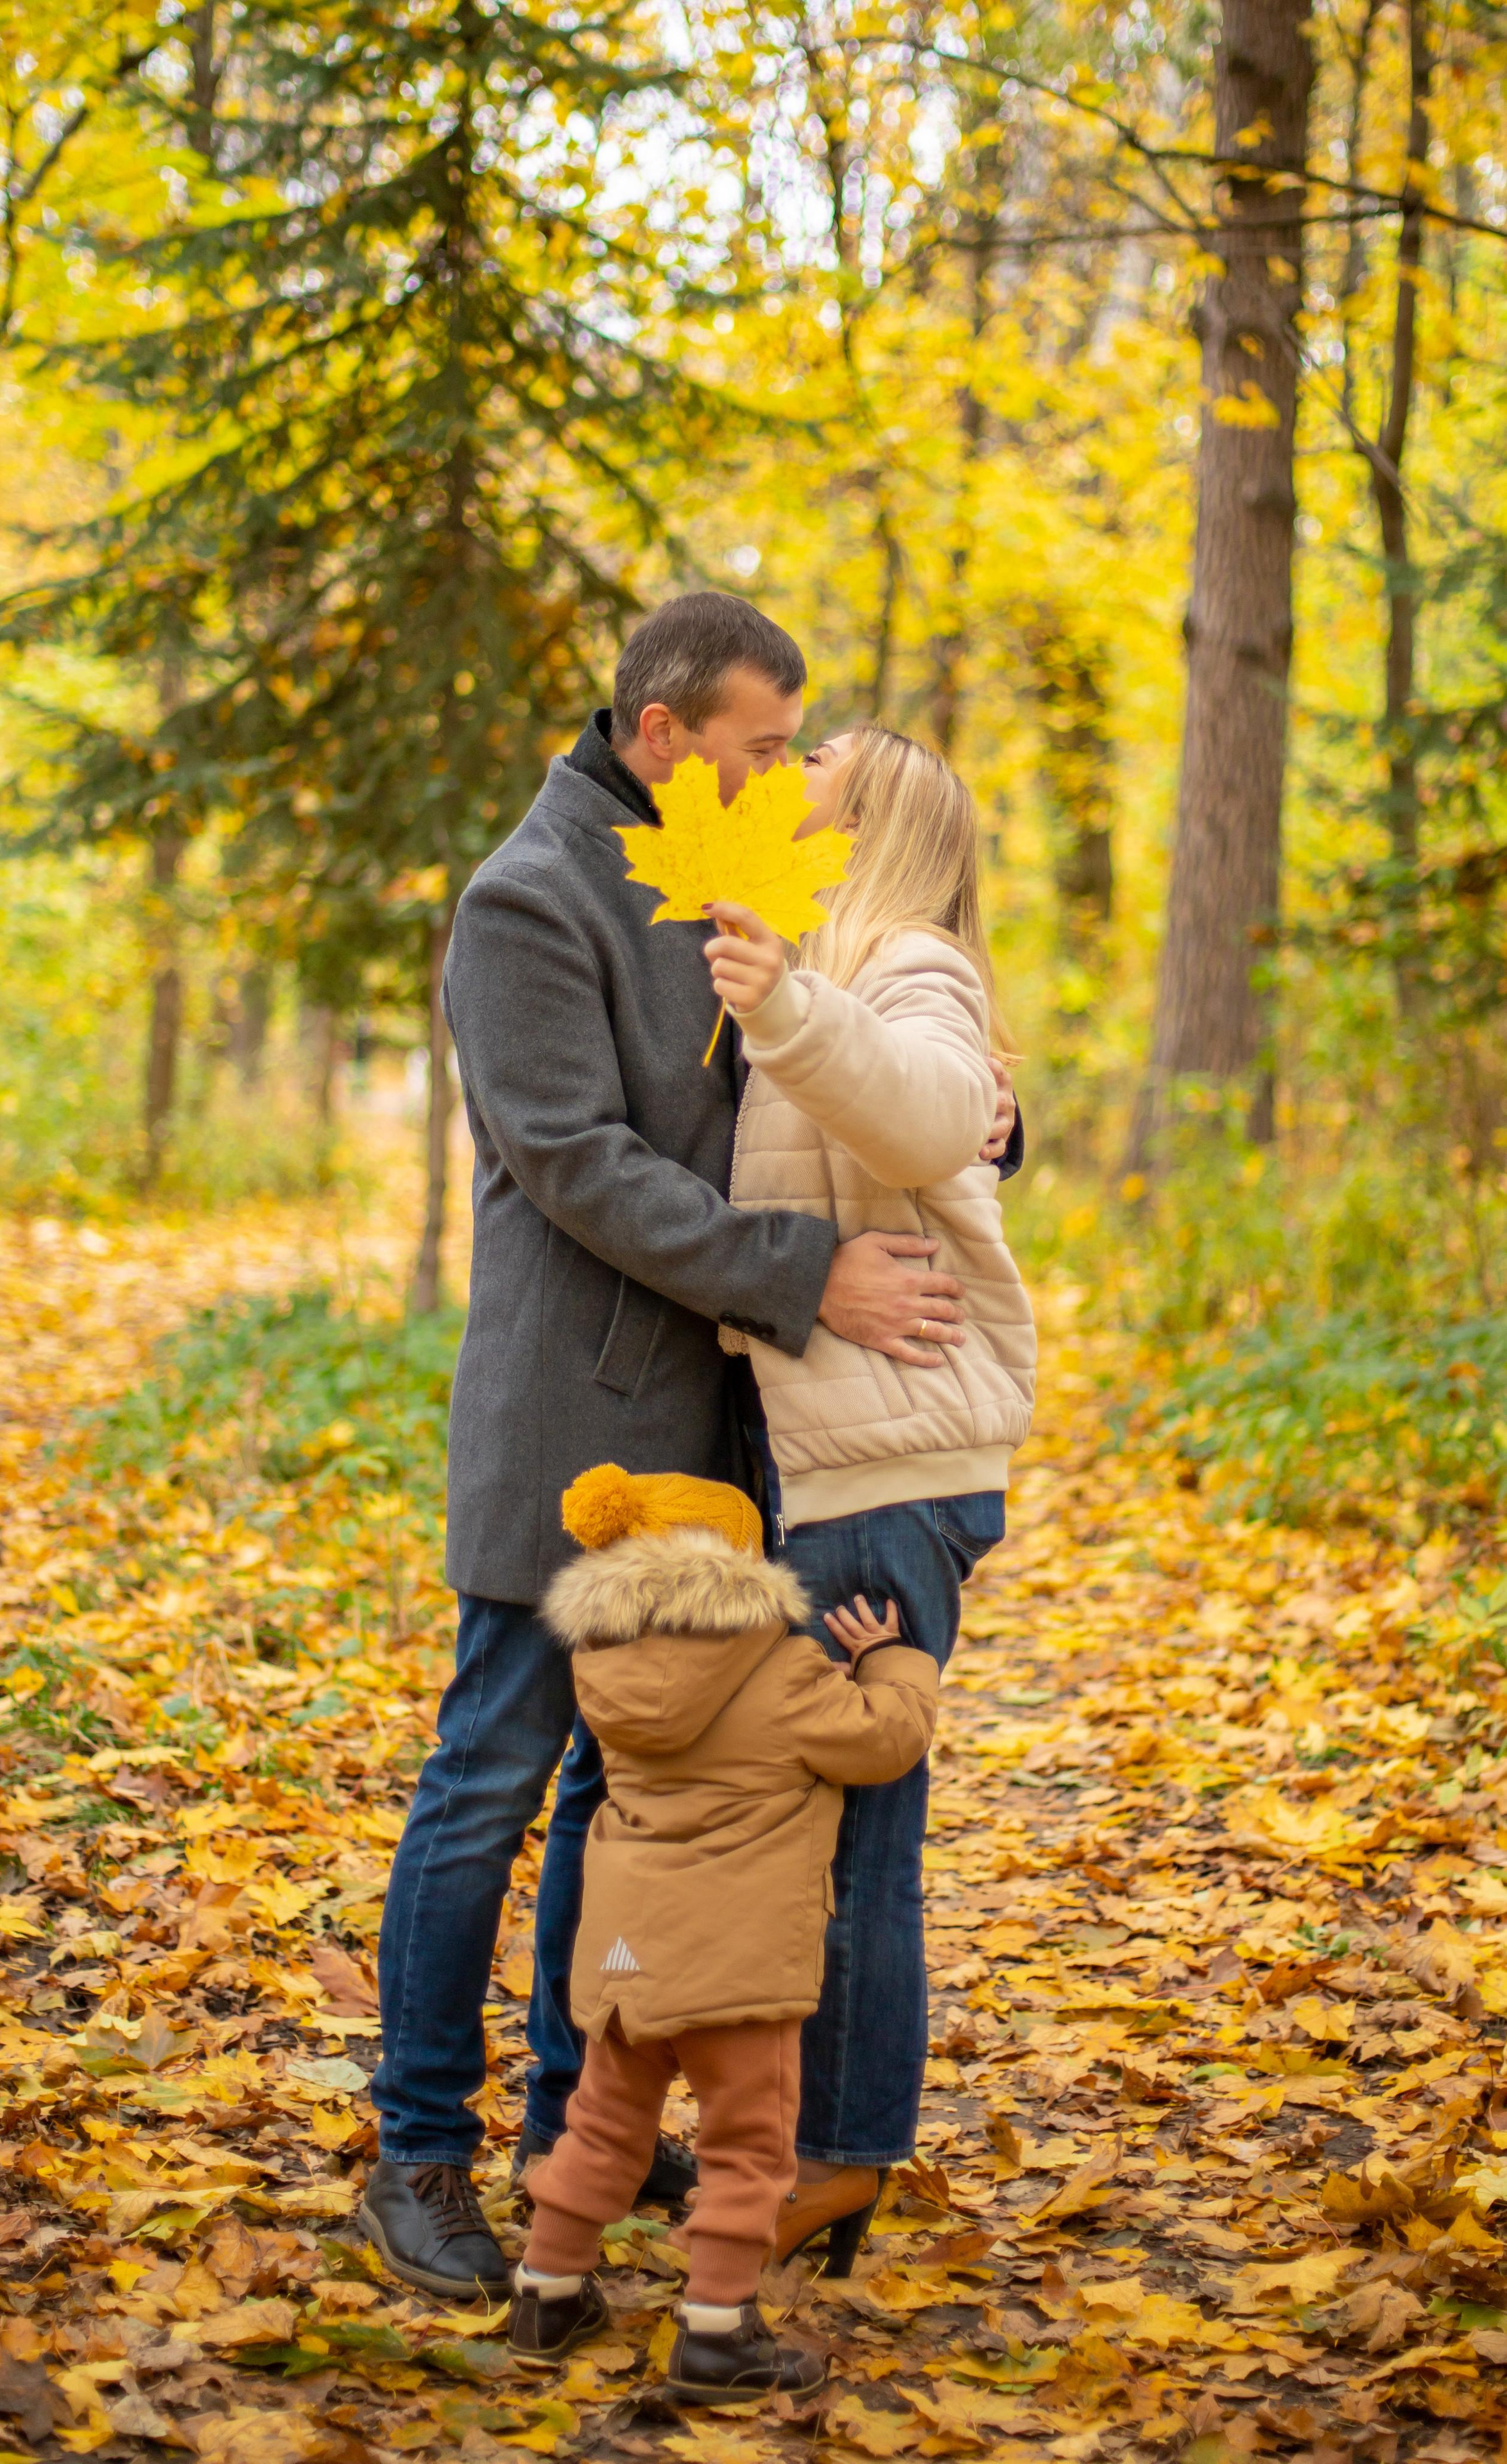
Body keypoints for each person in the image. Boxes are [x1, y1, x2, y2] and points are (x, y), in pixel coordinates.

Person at [363, 595, 1018, 2298]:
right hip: (575, 1426)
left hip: (732, 1440)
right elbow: (580, 1163)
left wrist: (998, 1124)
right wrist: (812, 1273)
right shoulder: (530, 902)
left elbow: (874, 1043)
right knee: (489, 1785)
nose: (783, 769)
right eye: (757, 741)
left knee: (615, 1790)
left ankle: (571, 2124)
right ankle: (419, 2151)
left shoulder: (731, 861)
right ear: (662, 733)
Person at [702, 726, 1036, 2259]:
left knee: (856, 1830)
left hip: (890, 1473)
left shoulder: (903, 961)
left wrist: (791, 1003)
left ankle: (839, 2151)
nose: (794, 754)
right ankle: (816, 2142)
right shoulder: (833, 954)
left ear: (878, 809)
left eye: (820, 750)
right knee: (819, 1818)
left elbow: (915, 1111)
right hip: (840, 1450)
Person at [507, 1462, 936, 2400]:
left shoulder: (603, 1667)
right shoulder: (783, 1671)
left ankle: (545, 2291)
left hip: (626, 1955)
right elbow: (885, 1741)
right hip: (737, 1962)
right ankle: (714, 2332)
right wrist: (895, 1662)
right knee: (747, 2148)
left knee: (603, 2125)